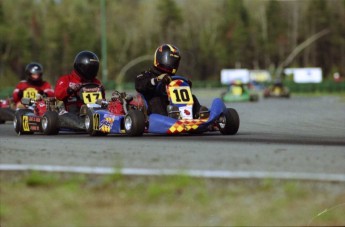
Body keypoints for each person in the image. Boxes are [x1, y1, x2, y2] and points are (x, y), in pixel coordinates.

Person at [135, 44, 208, 118]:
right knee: (156, 100)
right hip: (152, 108)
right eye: (169, 60)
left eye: (173, 62)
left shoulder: (173, 78)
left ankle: (200, 115)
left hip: (173, 105)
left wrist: (185, 84)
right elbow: (139, 85)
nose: (171, 64)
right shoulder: (147, 75)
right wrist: (157, 80)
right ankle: (167, 119)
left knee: (192, 98)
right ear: (159, 58)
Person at [55, 50, 105, 130]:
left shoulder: (96, 82)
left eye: (92, 69)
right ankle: (86, 124)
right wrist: (70, 90)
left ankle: (95, 122)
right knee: (70, 111)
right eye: (88, 69)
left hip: (93, 110)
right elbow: (58, 95)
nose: (90, 71)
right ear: (80, 67)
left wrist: (102, 91)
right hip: (73, 111)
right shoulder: (66, 79)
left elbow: (102, 100)